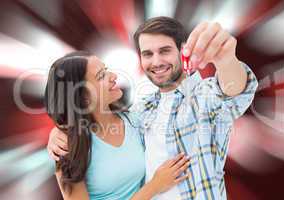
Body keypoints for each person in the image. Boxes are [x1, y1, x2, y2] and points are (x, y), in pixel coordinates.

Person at [48, 17, 258, 200]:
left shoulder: (204, 97)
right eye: (147, 53)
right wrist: (60, 131)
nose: (155, 61)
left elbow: (234, 92)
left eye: (165, 51)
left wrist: (227, 60)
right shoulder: (142, 111)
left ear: (183, 51)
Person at [44, 51, 191, 200]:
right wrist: (155, 185)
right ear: (82, 97)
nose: (113, 76)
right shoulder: (68, 149)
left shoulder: (135, 119)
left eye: (106, 70)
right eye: (101, 76)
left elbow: (174, 97)